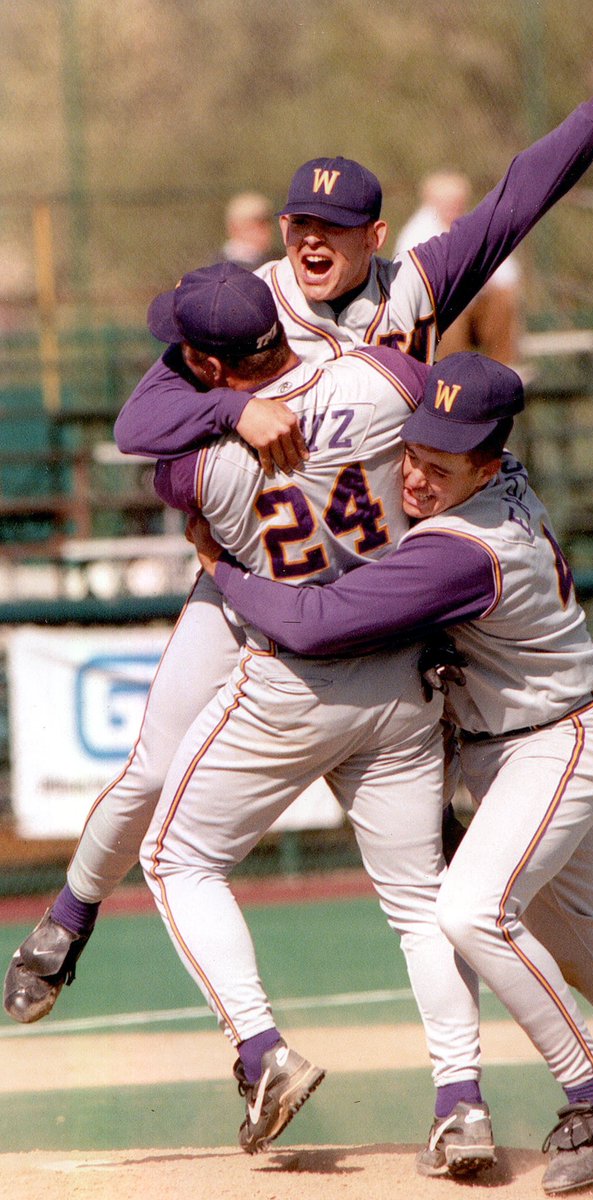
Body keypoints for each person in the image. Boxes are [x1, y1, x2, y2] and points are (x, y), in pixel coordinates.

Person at [4, 40, 593, 1034]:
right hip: (260, 565)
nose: (311, 239)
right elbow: (137, 425)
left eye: (334, 226)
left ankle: (462, 1088)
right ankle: (67, 918)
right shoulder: (247, 303)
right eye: (301, 219)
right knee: (154, 766)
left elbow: (518, 198)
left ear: (371, 233)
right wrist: (228, 415)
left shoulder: (413, 288)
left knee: (421, 846)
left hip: (389, 577)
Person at [185, 351, 593, 1192]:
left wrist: (221, 572)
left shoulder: (466, 546)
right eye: (411, 452)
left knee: (472, 911)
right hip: (528, 737)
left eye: (438, 465)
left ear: (488, 463)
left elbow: (315, 622)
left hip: (555, 743)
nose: (411, 476)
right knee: (583, 941)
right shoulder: (495, 473)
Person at [8, 263, 494, 1175]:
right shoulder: (382, 378)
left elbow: (154, 459)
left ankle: (256, 1047)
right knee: (417, 901)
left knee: (174, 847)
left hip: (282, 639)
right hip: (387, 653)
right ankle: (461, 1100)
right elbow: (454, 417)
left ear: (201, 357)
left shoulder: (199, 466)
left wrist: (225, 427)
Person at [394, 169, 522, 365]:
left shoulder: (474, 223)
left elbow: (508, 274)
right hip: (434, 314)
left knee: (502, 298)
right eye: (448, 201)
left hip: (474, 307)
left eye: (459, 201)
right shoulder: (417, 234)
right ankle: (454, 378)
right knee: (449, 310)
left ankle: (504, 371)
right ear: (431, 202)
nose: (455, 207)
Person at [219, 191, 275, 271]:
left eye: (267, 221)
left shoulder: (278, 260)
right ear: (234, 227)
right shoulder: (218, 267)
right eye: (257, 223)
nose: (265, 229)